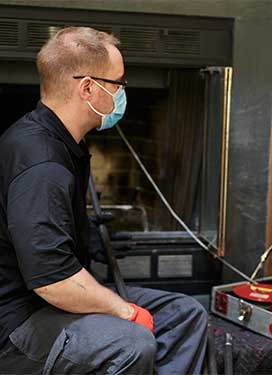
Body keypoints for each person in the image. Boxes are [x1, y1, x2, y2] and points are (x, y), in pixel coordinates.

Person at [0, 27, 207, 374]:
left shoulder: (61, 141)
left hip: (47, 303)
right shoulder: (42, 163)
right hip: (21, 322)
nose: (122, 93)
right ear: (87, 88)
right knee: (130, 342)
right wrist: (125, 312)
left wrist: (81, 234)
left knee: (183, 315)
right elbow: (52, 281)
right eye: (118, 83)